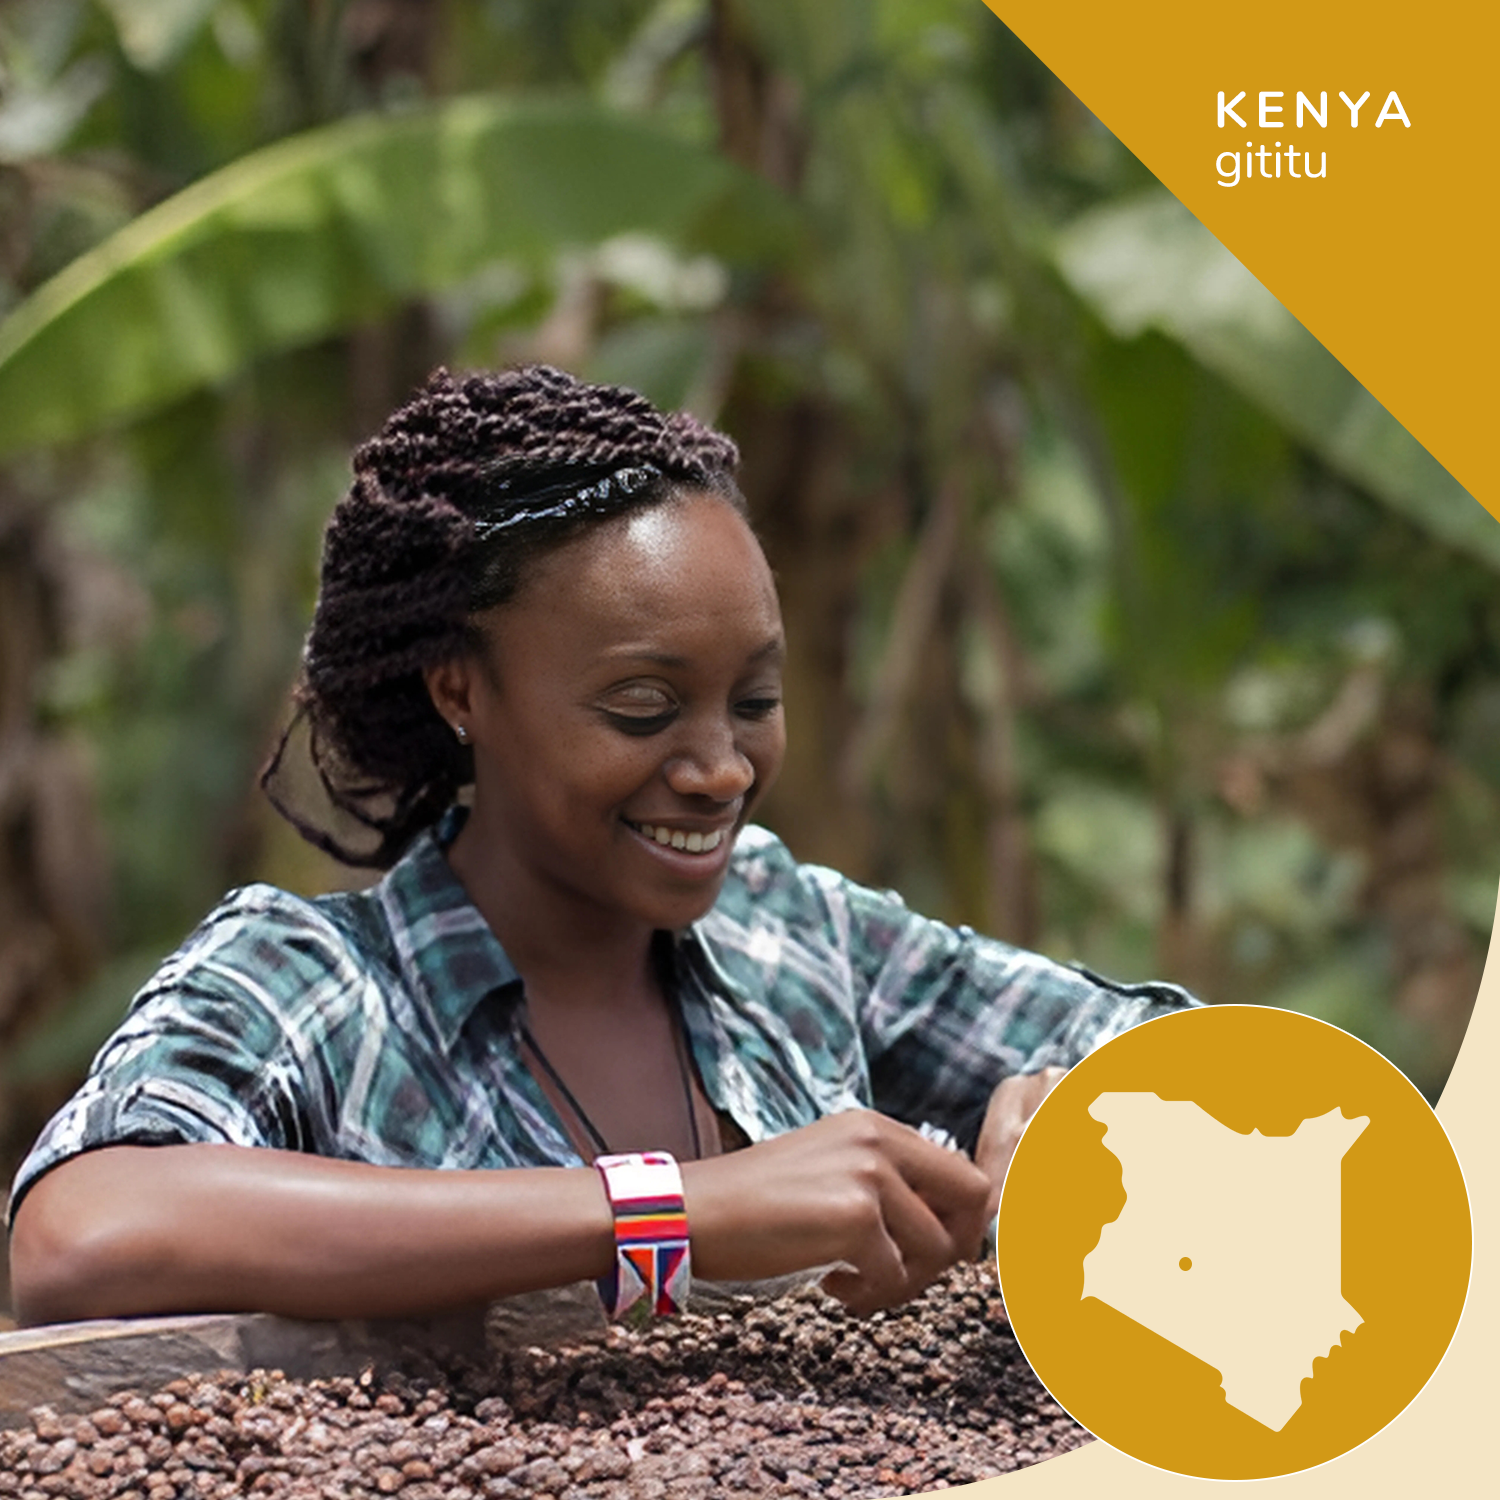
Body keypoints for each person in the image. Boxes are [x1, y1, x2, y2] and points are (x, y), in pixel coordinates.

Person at [7, 366, 1193, 1328]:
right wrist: (673, 1214)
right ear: (461, 690)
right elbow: (81, 1234)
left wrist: (1080, 1109)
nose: (720, 767)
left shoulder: (792, 932)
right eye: (642, 709)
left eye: (755, 700)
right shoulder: (328, 987)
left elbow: (1191, 1056)